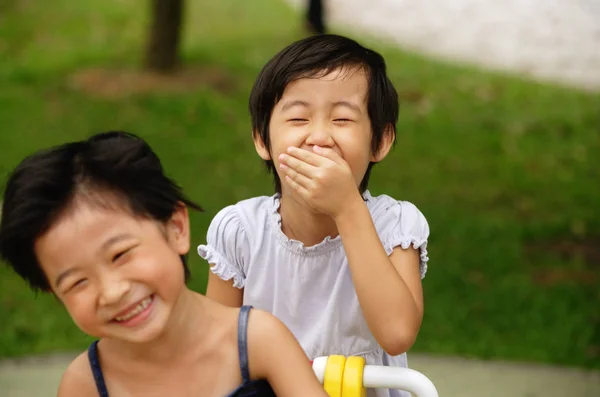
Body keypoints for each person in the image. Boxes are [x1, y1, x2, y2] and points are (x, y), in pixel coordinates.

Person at [0, 131, 327, 397]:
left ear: (176, 228)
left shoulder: (259, 339)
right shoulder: (83, 385)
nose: (112, 292)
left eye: (120, 255)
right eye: (76, 283)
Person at [198, 34, 431, 397]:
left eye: (341, 118)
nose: (319, 137)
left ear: (380, 141)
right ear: (262, 139)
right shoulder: (241, 231)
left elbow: (397, 333)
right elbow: (216, 353)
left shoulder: (395, 225)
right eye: (298, 118)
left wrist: (347, 208)